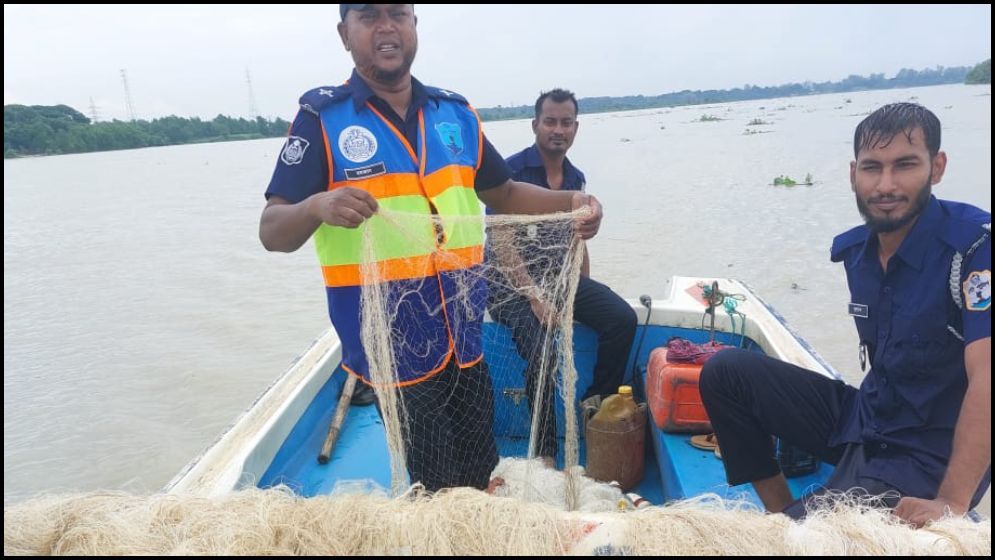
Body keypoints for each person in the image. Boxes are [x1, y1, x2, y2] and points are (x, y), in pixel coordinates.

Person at [258, 4, 603, 492]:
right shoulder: (322, 120)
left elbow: (503, 193)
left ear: (415, 26)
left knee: (481, 463)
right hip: (390, 346)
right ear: (344, 33)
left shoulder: (454, 114)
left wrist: (571, 200)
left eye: (398, 13)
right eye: (369, 16)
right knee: (437, 477)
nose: (386, 27)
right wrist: (317, 205)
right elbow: (272, 230)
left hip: (462, 336)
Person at [699, 102, 990, 526]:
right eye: (873, 168)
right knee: (725, 373)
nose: (885, 185)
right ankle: (782, 512)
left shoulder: (974, 250)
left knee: (803, 540)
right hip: (868, 420)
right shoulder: (858, 252)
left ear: (937, 167)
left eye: (905, 165)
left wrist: (951, 501)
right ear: (854, 174)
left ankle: (795, 530)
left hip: (930, 455)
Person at [486, 89, 636, 466]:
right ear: (535, 124)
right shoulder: (509, 173)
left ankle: (595, 408)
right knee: (540, 345)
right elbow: (502, 242)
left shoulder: (575, 178)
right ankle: (546, 451)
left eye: (566, 122)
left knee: (621, 318)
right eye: (550, 121)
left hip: (558, 279)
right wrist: (534, 296)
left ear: (576, 128)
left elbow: (577, 240)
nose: (558, 130)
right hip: (509, 286)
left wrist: (584, 288)